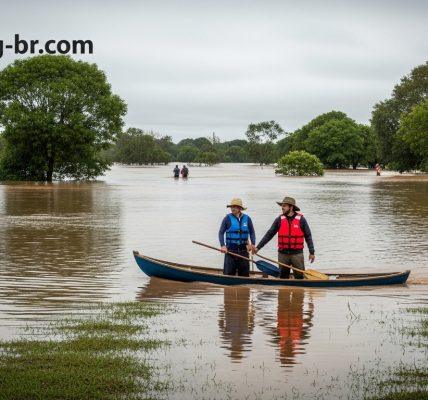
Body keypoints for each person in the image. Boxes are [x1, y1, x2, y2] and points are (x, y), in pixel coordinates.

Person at [254, 196, 315, 279]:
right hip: (283, 254)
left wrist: (312, 252)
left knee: (300, 277)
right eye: (282, 206)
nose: (282, 208)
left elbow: (308, 236)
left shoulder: (301, 220)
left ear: (291, 207)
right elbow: (269, 234)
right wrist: (258, 247)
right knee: (283, 278)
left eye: (284, 206)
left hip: (297, 254)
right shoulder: (279, 219)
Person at [218, 198, 256, 277]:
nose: (232, 208)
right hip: (230, 251)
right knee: (228, 276)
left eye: (235, 207)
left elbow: (252, 232)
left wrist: (253, 244)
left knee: (244, 276)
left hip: (243, 252)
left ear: (240, 208)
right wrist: (223, 245)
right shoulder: (227, 219)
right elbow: (221, 233)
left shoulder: (247, 219)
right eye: (231, 207)